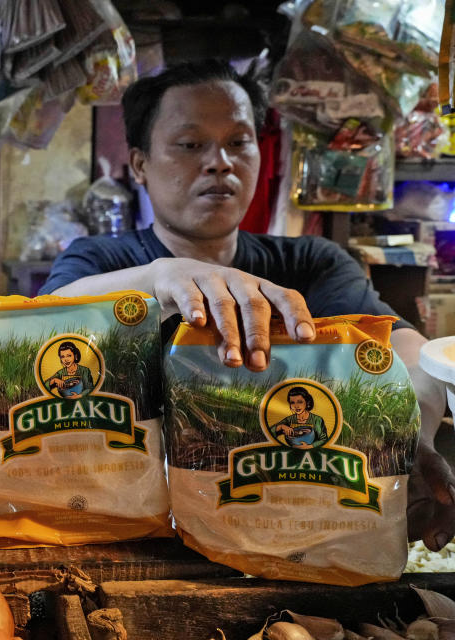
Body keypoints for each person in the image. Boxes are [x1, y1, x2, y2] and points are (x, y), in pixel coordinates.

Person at [39, 59, 454, 552]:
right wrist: (159, 276)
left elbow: (416, 357)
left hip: (291, 535)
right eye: (191, 145)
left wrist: (412, 435)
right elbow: (47, 319)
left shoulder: (311, 264)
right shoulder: (102, 260)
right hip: (133, 538)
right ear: (140, 164)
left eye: (238, 142)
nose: (220, 162)